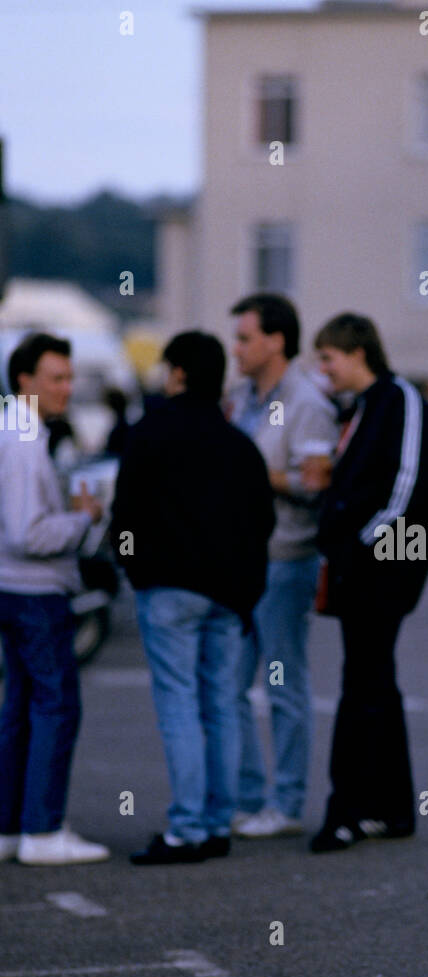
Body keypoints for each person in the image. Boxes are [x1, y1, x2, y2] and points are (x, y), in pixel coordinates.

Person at [109, 331, 275, 864]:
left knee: (179, 705)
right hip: (228, 596)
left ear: (177, 373)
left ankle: (185, 828)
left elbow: (125, 513)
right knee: (222, 705)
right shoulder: (240, 444)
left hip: (168, 589)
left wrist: (135, 570)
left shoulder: (148, 433)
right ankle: (216, 822)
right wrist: (246, 592)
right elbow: (262, 525)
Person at [305, 313, 428, 853]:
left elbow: (409, 485)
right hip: (361, 564)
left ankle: (345, 812)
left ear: (356, 351)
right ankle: (391, 808)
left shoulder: (399, 398)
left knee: (360, 684)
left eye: (328, 358)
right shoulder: (361, 408)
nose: (324, 370)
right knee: (374, 682)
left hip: (382, 567)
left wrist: (358, 546)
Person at [228, 293, 338, 839]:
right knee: (228, 682)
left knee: (283, 684)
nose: (236, 348)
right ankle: (248, 798)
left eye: (245, 338)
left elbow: (314, 482)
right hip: (243, 559)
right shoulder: (242, 396)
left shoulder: (307, 401)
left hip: (286, 559)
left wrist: (249, 474)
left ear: (275, 340)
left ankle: (287, 802)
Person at [0, 332, 109, 864]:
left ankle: (14, 826)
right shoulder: (22, 439)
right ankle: (41, 830)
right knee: (55, 704)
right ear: (24, 380)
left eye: (68, 377)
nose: (67, 388)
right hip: (33, 588)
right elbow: (28, 533)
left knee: (22, 706)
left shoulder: (14, 430)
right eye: (56, 378)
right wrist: (82, 519)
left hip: (14, 586)